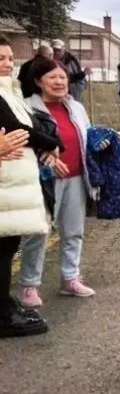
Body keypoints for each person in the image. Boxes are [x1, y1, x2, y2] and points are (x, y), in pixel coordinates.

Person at [19, 57, 98, 308]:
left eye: (63, 77)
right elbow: (21, 141)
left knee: (74, 231)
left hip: (76, 177)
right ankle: (29, 285)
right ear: (37, 81)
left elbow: (87, 135)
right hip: (42, 180)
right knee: (38, 233)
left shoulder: (75, 107)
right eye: (52, 77)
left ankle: (70, 278)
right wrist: (43, 153)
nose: (59, 82)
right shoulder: (26, 108)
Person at [0, 34, 59, 338]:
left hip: (12, 187)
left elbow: (27, 128)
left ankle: (5, 305)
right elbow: (17, 128)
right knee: (2, 249)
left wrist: (45, 143)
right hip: (5, 188)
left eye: (10, 58)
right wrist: (52, 142)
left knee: (8, 246)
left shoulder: (7, 90)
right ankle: (3, 316)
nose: (7, 64)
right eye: (0, 59)